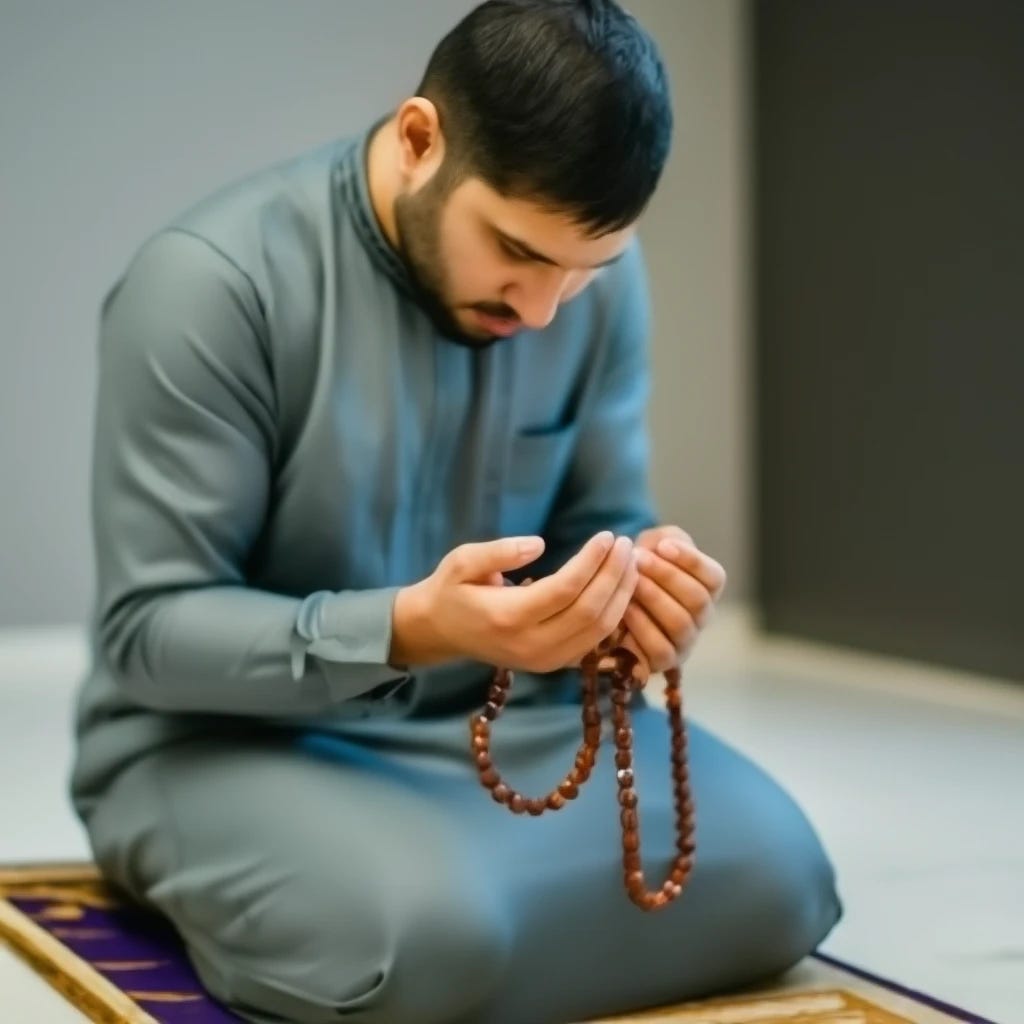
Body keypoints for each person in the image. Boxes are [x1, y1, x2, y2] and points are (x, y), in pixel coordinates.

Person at [70, 2, 841, 1022]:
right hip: (228, 739)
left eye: (586, 270)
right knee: (428, 940)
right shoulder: (210, 287)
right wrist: (409, 630)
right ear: (419, 138)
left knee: (784, 880)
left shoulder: (580, 283)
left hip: (516, 724)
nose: (543, 312)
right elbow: (146, 634)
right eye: (515, 253)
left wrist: (634, 595)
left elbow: (602, 517)